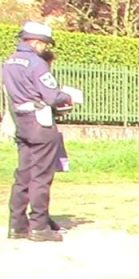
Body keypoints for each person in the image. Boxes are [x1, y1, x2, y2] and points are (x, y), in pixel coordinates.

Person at [3, 21, 80, 242]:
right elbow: (52, 96)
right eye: (45, 45)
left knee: (23, 174)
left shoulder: (9, 62)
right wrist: (68, 97)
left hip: (22, 122)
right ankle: (39, 227)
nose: (45, 49)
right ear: (37, 42)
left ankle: (17, 225)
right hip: (40, 123)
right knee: (41, 176)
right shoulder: (36, 64)